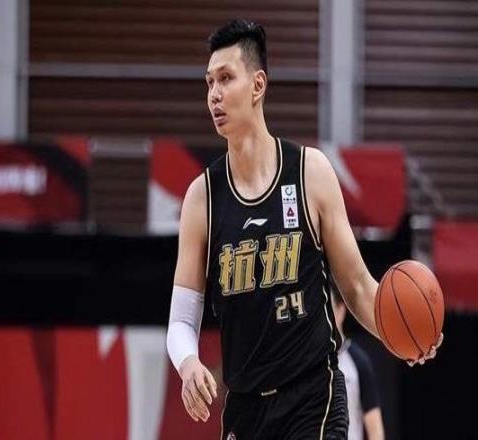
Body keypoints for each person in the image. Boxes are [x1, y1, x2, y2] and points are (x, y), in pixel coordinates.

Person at [166, 19, 442, 440]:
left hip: (313, 398)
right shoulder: (201, 199)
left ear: (258, 85)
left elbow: (357, 286)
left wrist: (402, 334)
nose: (214, 94)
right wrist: (188, 364)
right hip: (245, 408)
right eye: (209, 83)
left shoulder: (310, 173)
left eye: (226, 78)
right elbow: (181, 320)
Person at [331, 284, 385, 440]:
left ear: (341, 310)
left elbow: (376, 430)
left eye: (330, 309)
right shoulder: (309, 361)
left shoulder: (358, 361)